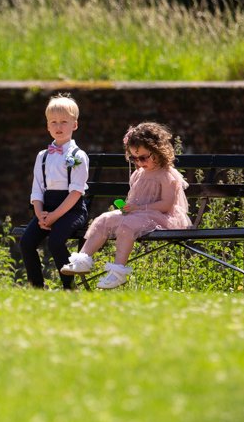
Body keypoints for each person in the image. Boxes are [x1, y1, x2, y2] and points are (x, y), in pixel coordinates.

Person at [60, 121, 190, 289]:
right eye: (134, 158)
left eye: (143, 157)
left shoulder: (166, 175)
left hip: (162, 217)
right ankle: (84, 260)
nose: (139, 162)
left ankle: (118, 272)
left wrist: (139, 209)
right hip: (138, 215)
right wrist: (129, 207)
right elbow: (136, 199)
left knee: (126, 226)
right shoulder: (139, 174)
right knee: (103, 219)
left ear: (158, 150)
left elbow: (166, 205)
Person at [19, 94, 90, 289]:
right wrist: (40, 214)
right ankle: (37, 287)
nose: (59, 127)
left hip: (72, 209)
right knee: (26, 242)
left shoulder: (77, 156)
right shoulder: (42, 156)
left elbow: (76, 192)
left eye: (64, 122)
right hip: (46, 208)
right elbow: (37, 189)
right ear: (48, 126)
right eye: (54, 122)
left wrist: (54, 217)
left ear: (74, 125)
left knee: (56, 241)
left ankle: (69, 287)